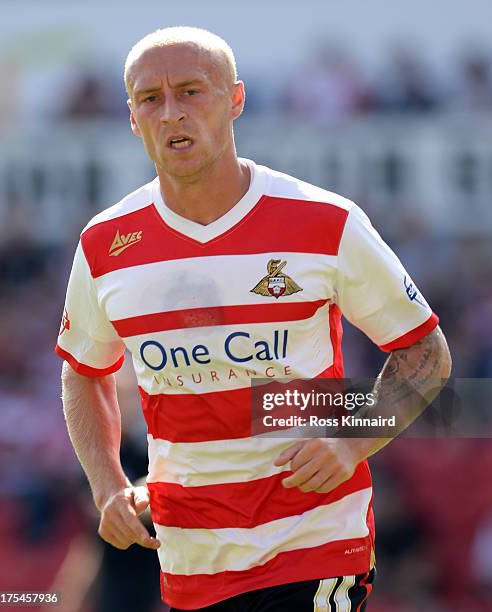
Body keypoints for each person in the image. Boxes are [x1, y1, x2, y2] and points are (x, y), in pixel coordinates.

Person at [56, 26, 451, 612]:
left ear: (236, 99)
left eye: (192, 92)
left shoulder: (325, 222)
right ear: (132, 118)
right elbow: (83, 372)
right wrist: (108, 483)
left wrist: (350, 441)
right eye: (150, 99)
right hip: (191, 554)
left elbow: (427, 354)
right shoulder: (105, 243)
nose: (172, 114)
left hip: (314, 542)